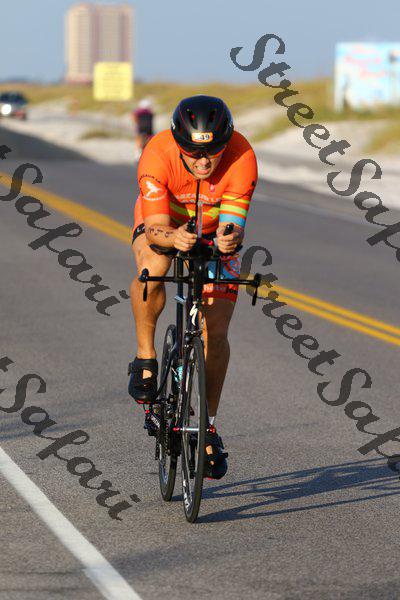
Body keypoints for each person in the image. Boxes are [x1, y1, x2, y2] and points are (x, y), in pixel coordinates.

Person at [128, 95, 258, 479]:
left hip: (212, 229)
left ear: (226, 143)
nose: (203, 162)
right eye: (193, 152)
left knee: (215, 331)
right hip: (165, 222)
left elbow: (233, 225)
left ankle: (208, 427)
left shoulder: (242, 156)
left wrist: (230, 239)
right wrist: (174, 238)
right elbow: (154, 227)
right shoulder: (157, 154)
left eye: (212, 152)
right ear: (178, 144)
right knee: (154, 267)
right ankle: (146, 356)